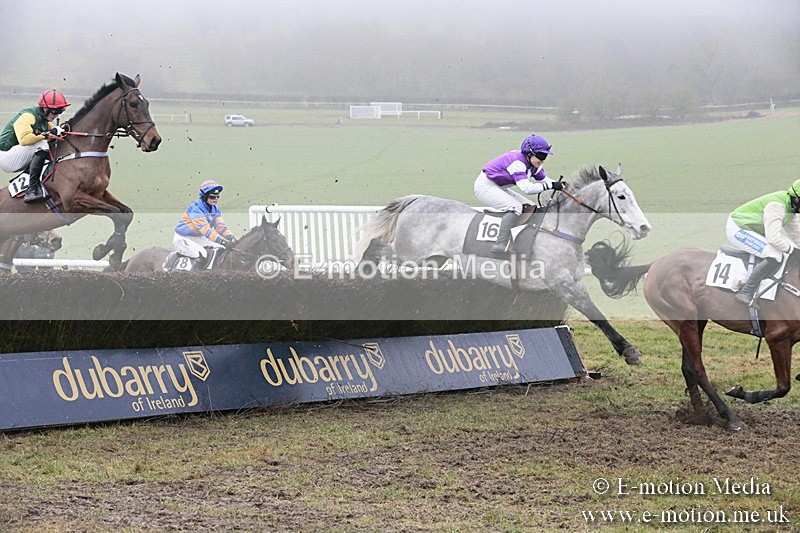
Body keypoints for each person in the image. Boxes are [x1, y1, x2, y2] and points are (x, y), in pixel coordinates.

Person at [474, 133, 564, 253]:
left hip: (498, 187)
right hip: (485, 187)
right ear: (529, 154)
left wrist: (561, 186)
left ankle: (521, 240)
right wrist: (551, 185)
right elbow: (527, 188)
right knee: (516, 207)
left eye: (545, 157)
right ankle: (500, 243)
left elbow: (545, 180)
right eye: (540, 156)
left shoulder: (534, 164)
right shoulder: (518, 163)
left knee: (531, 207)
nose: (542, 160)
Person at [726, 178, 800, 306]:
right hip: (738, 228)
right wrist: (793, 250)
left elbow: (796, 235)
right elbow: (773, 239)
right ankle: (745, 291)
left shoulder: (792, 209)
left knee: (790, 248)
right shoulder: (777, 206)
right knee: (774, 255)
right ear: (797, 198)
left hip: (756, 230)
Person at [0, 89, 70, 203]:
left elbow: (54, 135)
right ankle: (32, 189)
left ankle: (35, 180)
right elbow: (24, 140)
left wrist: (62, 131)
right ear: (45, 108)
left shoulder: (44, 120)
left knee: (47, 145)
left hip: (17, 155)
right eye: (55, 111)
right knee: (42, 144)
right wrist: (47, 134)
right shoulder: (28, 116)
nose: (57, 114)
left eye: (60, 111)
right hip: (5, 156)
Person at [173, 179, 238, 265]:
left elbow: (220, 227)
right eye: (212, 197)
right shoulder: (196, 209)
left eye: (217, 197)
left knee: (221, 249)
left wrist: (231, 237)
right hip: (183, 239)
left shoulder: (215, 209)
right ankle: (193, 277)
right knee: (202, 255)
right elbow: (206, 231)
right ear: (204, 196)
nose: (215, 199)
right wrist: (222, 241)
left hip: (199, 238)